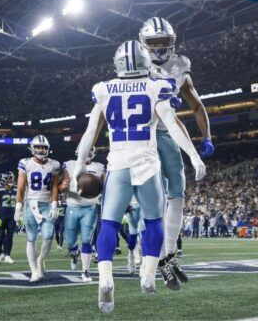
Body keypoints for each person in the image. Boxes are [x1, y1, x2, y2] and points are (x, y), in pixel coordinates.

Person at [70, 40, 206, 313]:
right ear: (146, 61)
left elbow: (88, 134)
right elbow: (172, 125)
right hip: (147, 165)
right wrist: (193, 155)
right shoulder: (155, 86)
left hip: (118, 164)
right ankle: (148, 273)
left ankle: (105, 279)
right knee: (154, 221)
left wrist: (77, 170)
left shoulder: (105, 89)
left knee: (108, 224)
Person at [140, 17, 213, 291]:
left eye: (163, 43)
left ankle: (168, 256)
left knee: (178, 193)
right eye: (153, 43)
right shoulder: (136, 64)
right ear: (143, 45)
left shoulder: (179, 67)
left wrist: (207, 136)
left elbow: (195, 105)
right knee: (154, 201)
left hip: (167, 130)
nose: (158, 49)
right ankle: (156, 260)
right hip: (142, 135)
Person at [15, 135, 61, 283]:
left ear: (47, 149)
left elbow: (54, 186)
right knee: (31, 238)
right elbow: (21, 186)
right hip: (30, 204)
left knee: (48, 236)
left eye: (44, 147)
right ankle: (34, 270)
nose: (41, 150)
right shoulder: (25, 163)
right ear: (33, 149)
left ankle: (41, 260)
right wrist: (19, 205)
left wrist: (54, 204)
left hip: (46, 204)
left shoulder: (54, 164)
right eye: (38, 147)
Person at [59, 147, 105, 282]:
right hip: (72, 207)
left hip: (90, 208)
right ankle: (74, 254)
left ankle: (85, 271)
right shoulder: (69, 164)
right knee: (70, 241)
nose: (87, 153)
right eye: (85, 150)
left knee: (87, 240)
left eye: (90, 151)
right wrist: (64, 187)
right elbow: (61, 186)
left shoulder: (99, 167)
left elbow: (105, 186)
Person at [0, 172, 17, 263]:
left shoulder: (16, 189)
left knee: (10, 236)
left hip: (12, 216)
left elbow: (20, 202)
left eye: (11, 178)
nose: (11, 180)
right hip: (2, 216)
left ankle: (8, 255)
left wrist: (21, 215)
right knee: (0, 236)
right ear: (4, 180)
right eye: (8, 179)